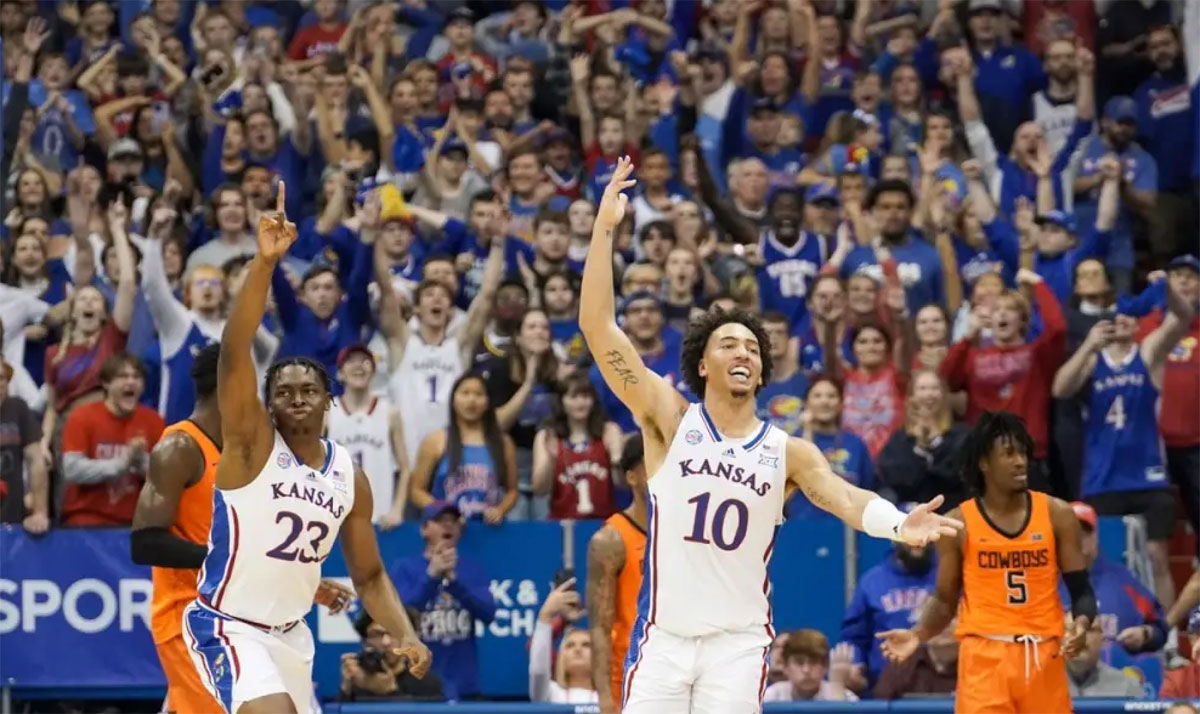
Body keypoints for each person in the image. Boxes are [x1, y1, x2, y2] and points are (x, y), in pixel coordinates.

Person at [580, 158, 960, 714]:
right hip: (663, 639)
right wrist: (604, 229)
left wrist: (900, 523)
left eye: (752, 349)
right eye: (729, 344)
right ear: (703, 364)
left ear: (761, 374)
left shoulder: (788, 453)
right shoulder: (670, 418)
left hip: (736, 647)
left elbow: (847, 499)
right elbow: (598, 328)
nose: (743, 352)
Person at [183, 185, 429, 714]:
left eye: (308, 391)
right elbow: (233, 353)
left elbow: (368, 576)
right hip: (228, 626)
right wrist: (265, 264)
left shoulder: (349, 475)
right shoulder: (251, 445)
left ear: (329, 402)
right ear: (267, 404)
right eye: (283, 391)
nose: (296, 398)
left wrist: (405, 632)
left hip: (291, 636)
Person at [131, 344, 353, 713]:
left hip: (247, 618)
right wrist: (232, 563)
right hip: (191, 615)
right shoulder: (180, 447)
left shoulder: (254, 454)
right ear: (229, 385)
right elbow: (144, 543)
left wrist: (301, 581)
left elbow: (254, 548)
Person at [878, 412, 1097, 714]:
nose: (1020, 462)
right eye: (1008, 454)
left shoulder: (1056, 513)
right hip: (984, 656)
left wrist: (1082, 624)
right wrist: (917, 634)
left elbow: (1082, 590)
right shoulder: (958, 522)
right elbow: (944, 600)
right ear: (984, 462)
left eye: (1022, 452)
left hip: (1044, 653)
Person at [1051, 281, 1193, 606]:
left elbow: (1182, 315)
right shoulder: (1092, 360)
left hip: (1148, 476)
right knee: (1102, 557)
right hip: (1103, 478)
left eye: (1130, 315)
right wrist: (1088, 345)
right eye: (1117, 315)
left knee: (1158, 556)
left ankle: (1165, 635)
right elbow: (1059, 389)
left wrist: (1166, 287)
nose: (1124, 320)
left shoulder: (1148, 352)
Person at [392, 501, 496, 702]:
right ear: (424, 529)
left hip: (466, 686)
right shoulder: (404, 568)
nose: (448, 525)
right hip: (419, 685)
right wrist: (432, 576)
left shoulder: (472, 569)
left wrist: (455, 582)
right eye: (440, 520)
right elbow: (401, 616)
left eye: (454, 521)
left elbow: (488, 613)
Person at [60, 352, 165, 526]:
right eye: (122, 377)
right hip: (87, 520)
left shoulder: (154, 421)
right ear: (106, 383)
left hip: (135, 522)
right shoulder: (82, 417)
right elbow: (72, 469)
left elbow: (163, 479)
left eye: (136, 377)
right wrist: (121, 463)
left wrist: (140, 461)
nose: (130, 382)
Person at [587, 436, 648, 714]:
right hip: (630, 678)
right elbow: (600, 626)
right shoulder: (610, 540)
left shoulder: (687, 534)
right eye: (654, 465)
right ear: (632, 477)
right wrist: (604, 698)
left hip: (681, 675)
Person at [408, 372, 518, 523]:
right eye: (465, 393)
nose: (471, 400)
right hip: (444, 531)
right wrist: (442, 511)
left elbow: (512, 491)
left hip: (489, 532)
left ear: (487, 402)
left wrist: (500, 510)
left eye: (478, 394)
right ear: (453, 400)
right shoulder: (435, 441)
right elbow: (416, 491)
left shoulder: (503, 443)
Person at [327, 344, 408, 527]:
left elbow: (405, 468)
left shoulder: (390, 412)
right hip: (339, 520)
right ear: (340, 373)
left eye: (365, 361)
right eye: (351, 361)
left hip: (381, 518)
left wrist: (397, 510)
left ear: (373, 371)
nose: (358, 366)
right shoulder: (327, 412)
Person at [839, 542, 937, 691]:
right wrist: (856, 665)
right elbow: (854, 637)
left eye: (925, 534)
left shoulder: (948, 574)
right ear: (894, 538)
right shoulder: (872, 582)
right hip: (886, 689)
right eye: (911, 536)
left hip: (941, 686)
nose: (919, 542)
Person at [532, 372, 623, 520]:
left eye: (586, 397)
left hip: (604, 525)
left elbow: (621, 484)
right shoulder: (548, 437)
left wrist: (616, 457)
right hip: (561, 525)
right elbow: (540, 489)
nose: (580, 403)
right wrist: (550, 459)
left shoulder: (608, 431)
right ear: (562, 401)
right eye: (573, 397)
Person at [338, 609, 445, 702]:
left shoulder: (427, 684)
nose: (386, 642)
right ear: (365, 641)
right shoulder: (359, 679)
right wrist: (346, 689)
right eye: (376, 634)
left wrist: (390, 691)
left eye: (393, 633)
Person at [530, 577, 597, 703]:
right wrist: (546, 614)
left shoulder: (613, 696)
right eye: (570, 645)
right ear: (561, 657)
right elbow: (538, 670)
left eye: (586, 645)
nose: (578, 649)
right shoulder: (550, 693)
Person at [762, 630, 857, 702]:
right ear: (786, 667)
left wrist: (838, 689)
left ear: (825, 667)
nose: (806, 670)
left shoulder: (846, 697)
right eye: (799, 662)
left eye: (814, 662)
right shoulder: (770, 696)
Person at [873, 619, 958, 699]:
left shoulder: (970, 662)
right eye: (936, 619)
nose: (944, 626)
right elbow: (880, 703)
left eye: (953, 618)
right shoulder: (904, 661)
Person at [1066, 626, 1146, 698]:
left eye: (1088, 630)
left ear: (1102, 640)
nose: (1078, 637)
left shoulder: (1128, 687)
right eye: (1070, 629)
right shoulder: (1053, 684)